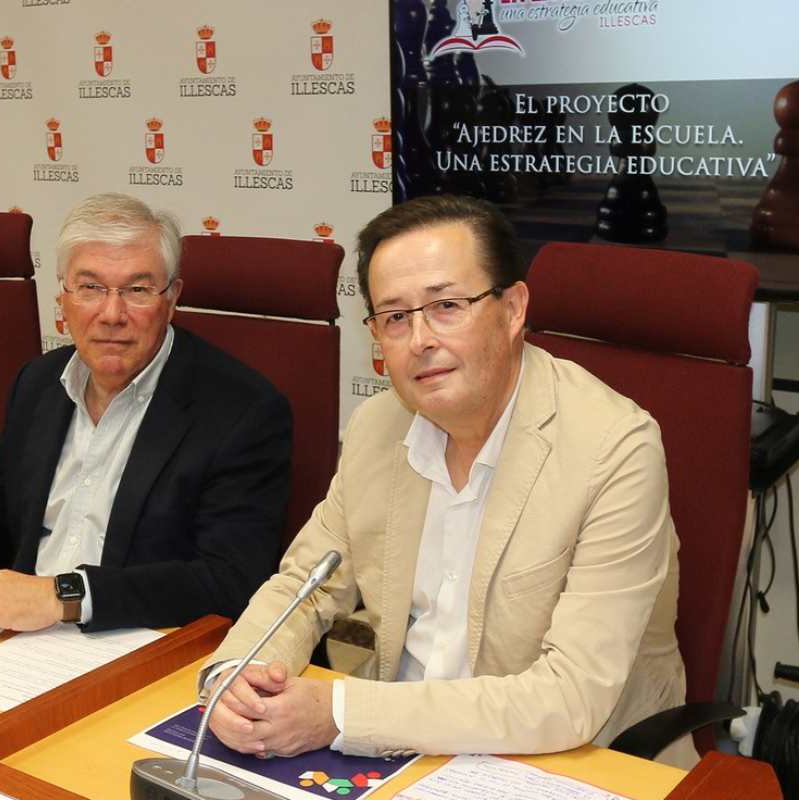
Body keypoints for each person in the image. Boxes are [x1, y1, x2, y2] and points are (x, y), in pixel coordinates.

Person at [201, 195, 695, 767]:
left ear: (513, 309)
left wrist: (340, 712)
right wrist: (236, 674)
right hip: (399, 753)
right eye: (395, 317)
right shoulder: (376, 429)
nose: (420, 340)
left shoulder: (614, 449)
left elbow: (571, 694)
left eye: (446, 306)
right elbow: (303, 589)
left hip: (573, 759)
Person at [0, 193, 292, 635]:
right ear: (63, 297)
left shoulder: (242, 411)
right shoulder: (39, 382)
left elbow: (230, 580)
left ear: (171, 298)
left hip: (139, 644)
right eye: (91, 288)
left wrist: (63, 596)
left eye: (137, 289)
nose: (111, 313)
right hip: (20, 635)